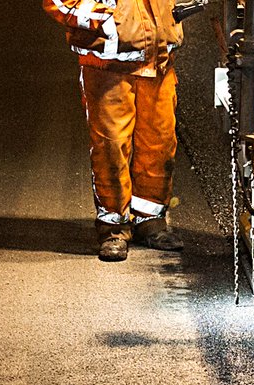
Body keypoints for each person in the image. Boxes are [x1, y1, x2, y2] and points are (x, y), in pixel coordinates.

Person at [43, 0, 186, 261]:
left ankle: (150, 221)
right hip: (107, 63)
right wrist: (109, 21)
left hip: (159, 58)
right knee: (111, 145)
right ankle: (113, 229)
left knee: (160, 142)